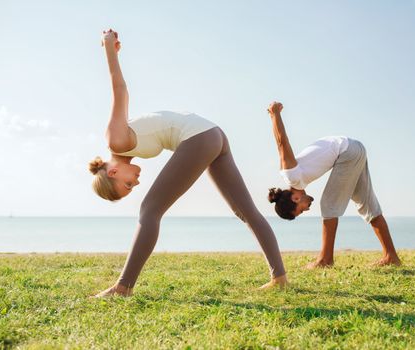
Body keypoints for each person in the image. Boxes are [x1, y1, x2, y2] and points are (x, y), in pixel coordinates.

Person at [90, 30, 287, 297]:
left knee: (149, 209)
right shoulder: (127, 146)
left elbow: (120, 90)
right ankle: (280, 278)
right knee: (245, 211)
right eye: (132, 186)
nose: (136, 181)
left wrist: (109, 50)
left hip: (201, 138)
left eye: (127, 183)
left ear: (112, 170)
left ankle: (123, 287)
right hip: (213, 135)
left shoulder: (115, 139)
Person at [266, 101, 401, 268]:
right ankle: (391, 256)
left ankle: (325, 260)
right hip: (353, 149)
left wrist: (275, 114)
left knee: (328, 205)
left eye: (301, 210)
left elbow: (282, 144)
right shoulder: (298, 179)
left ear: (295, 198)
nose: (307, 209)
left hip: (348, 152)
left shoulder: (291, 175)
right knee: (366, 205)